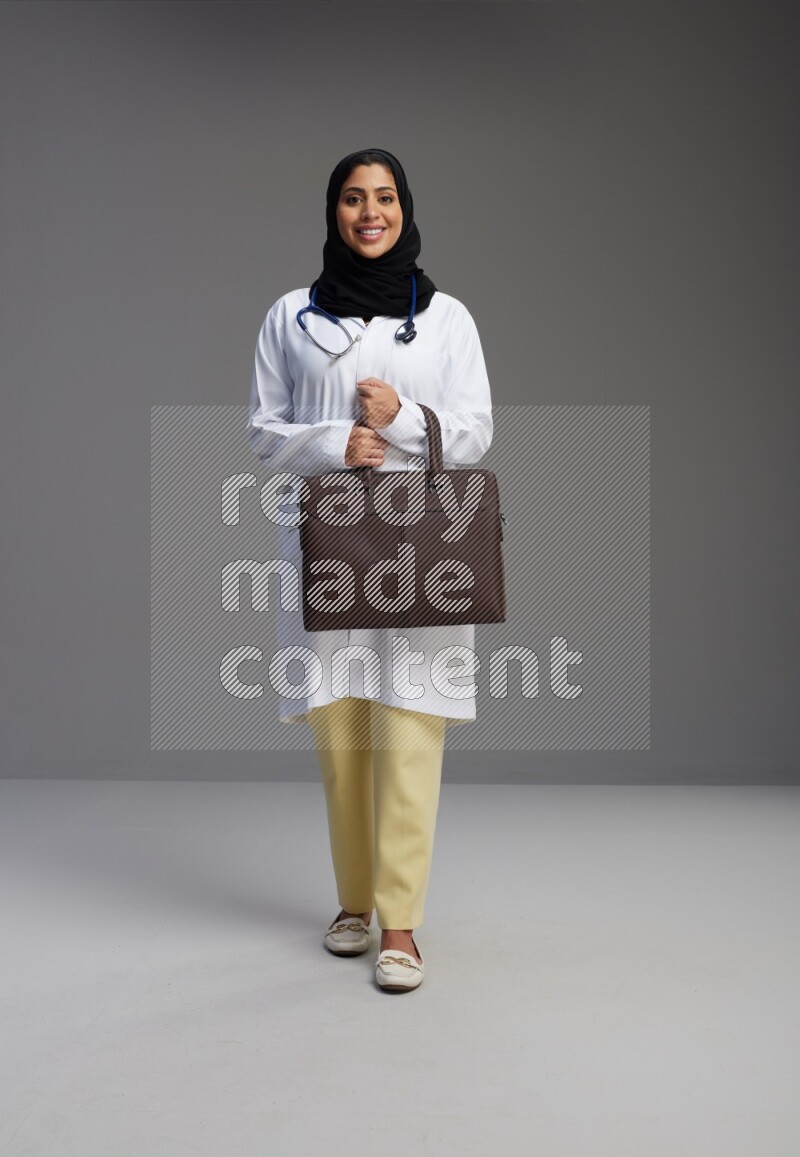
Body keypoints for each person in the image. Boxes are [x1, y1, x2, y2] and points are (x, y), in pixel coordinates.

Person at [247, 148, 493, 992]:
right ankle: (353, 901)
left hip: (422, 538)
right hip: (327, 535)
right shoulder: (290, 317)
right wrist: (329, 443)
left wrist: (408, 419)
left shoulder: (449, 319)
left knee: (411, 723)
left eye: (383, 197)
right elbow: (261, 430)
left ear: (404, 208)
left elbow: (476, 431)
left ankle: (402, 923)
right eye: (353, 199)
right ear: (333, 212)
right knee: (343, 727)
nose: (369, 212)